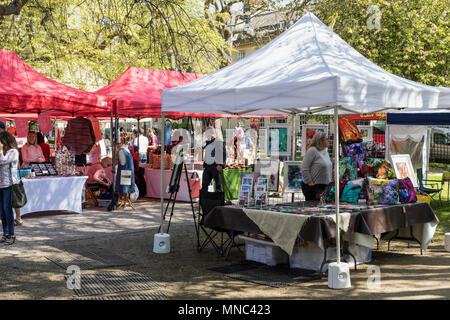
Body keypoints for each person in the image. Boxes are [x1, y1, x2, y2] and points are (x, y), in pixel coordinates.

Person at [0, 131, 20, 245]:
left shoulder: (13, 152)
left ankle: (11, 235)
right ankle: (5, 233)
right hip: (1, 184)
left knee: (7, 210)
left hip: (9, 184)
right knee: (2, 211)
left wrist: (1, 150)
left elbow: (2, 161)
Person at [301, 132, 332, 201]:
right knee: (313, 208)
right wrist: (310, 182)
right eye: (326, 139)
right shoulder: (312, 151)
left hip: (324, 186)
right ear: (320, 141)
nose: (328, 141)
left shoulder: (325, 152)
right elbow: (304, 168)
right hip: (314, 187)